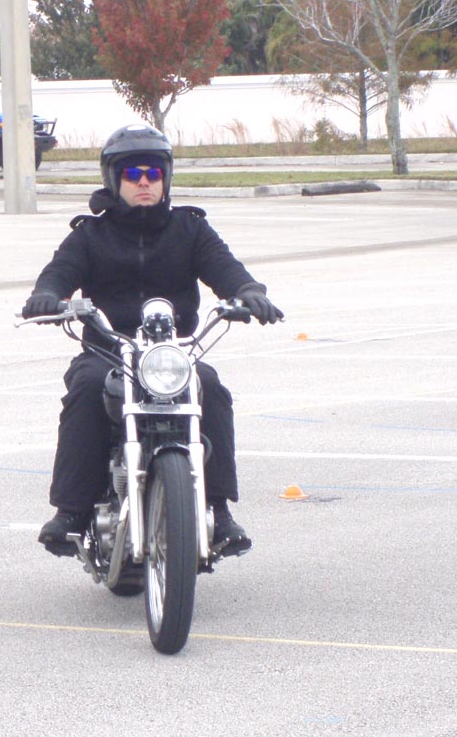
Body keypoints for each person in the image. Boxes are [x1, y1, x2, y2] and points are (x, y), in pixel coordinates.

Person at [22, 123, 283, 558]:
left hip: (171, 354)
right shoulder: (89, 235)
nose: (143, 182)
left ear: (166, 178)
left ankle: (218, 511)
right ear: (114, 179)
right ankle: (71, 512)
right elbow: (59, 272)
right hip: (109, 351)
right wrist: (46, 296)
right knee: (87, 386)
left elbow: (226, 268)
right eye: (132, 173)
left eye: (153, 173)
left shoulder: (190, 229)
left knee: (209, 387)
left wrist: (249, 292)